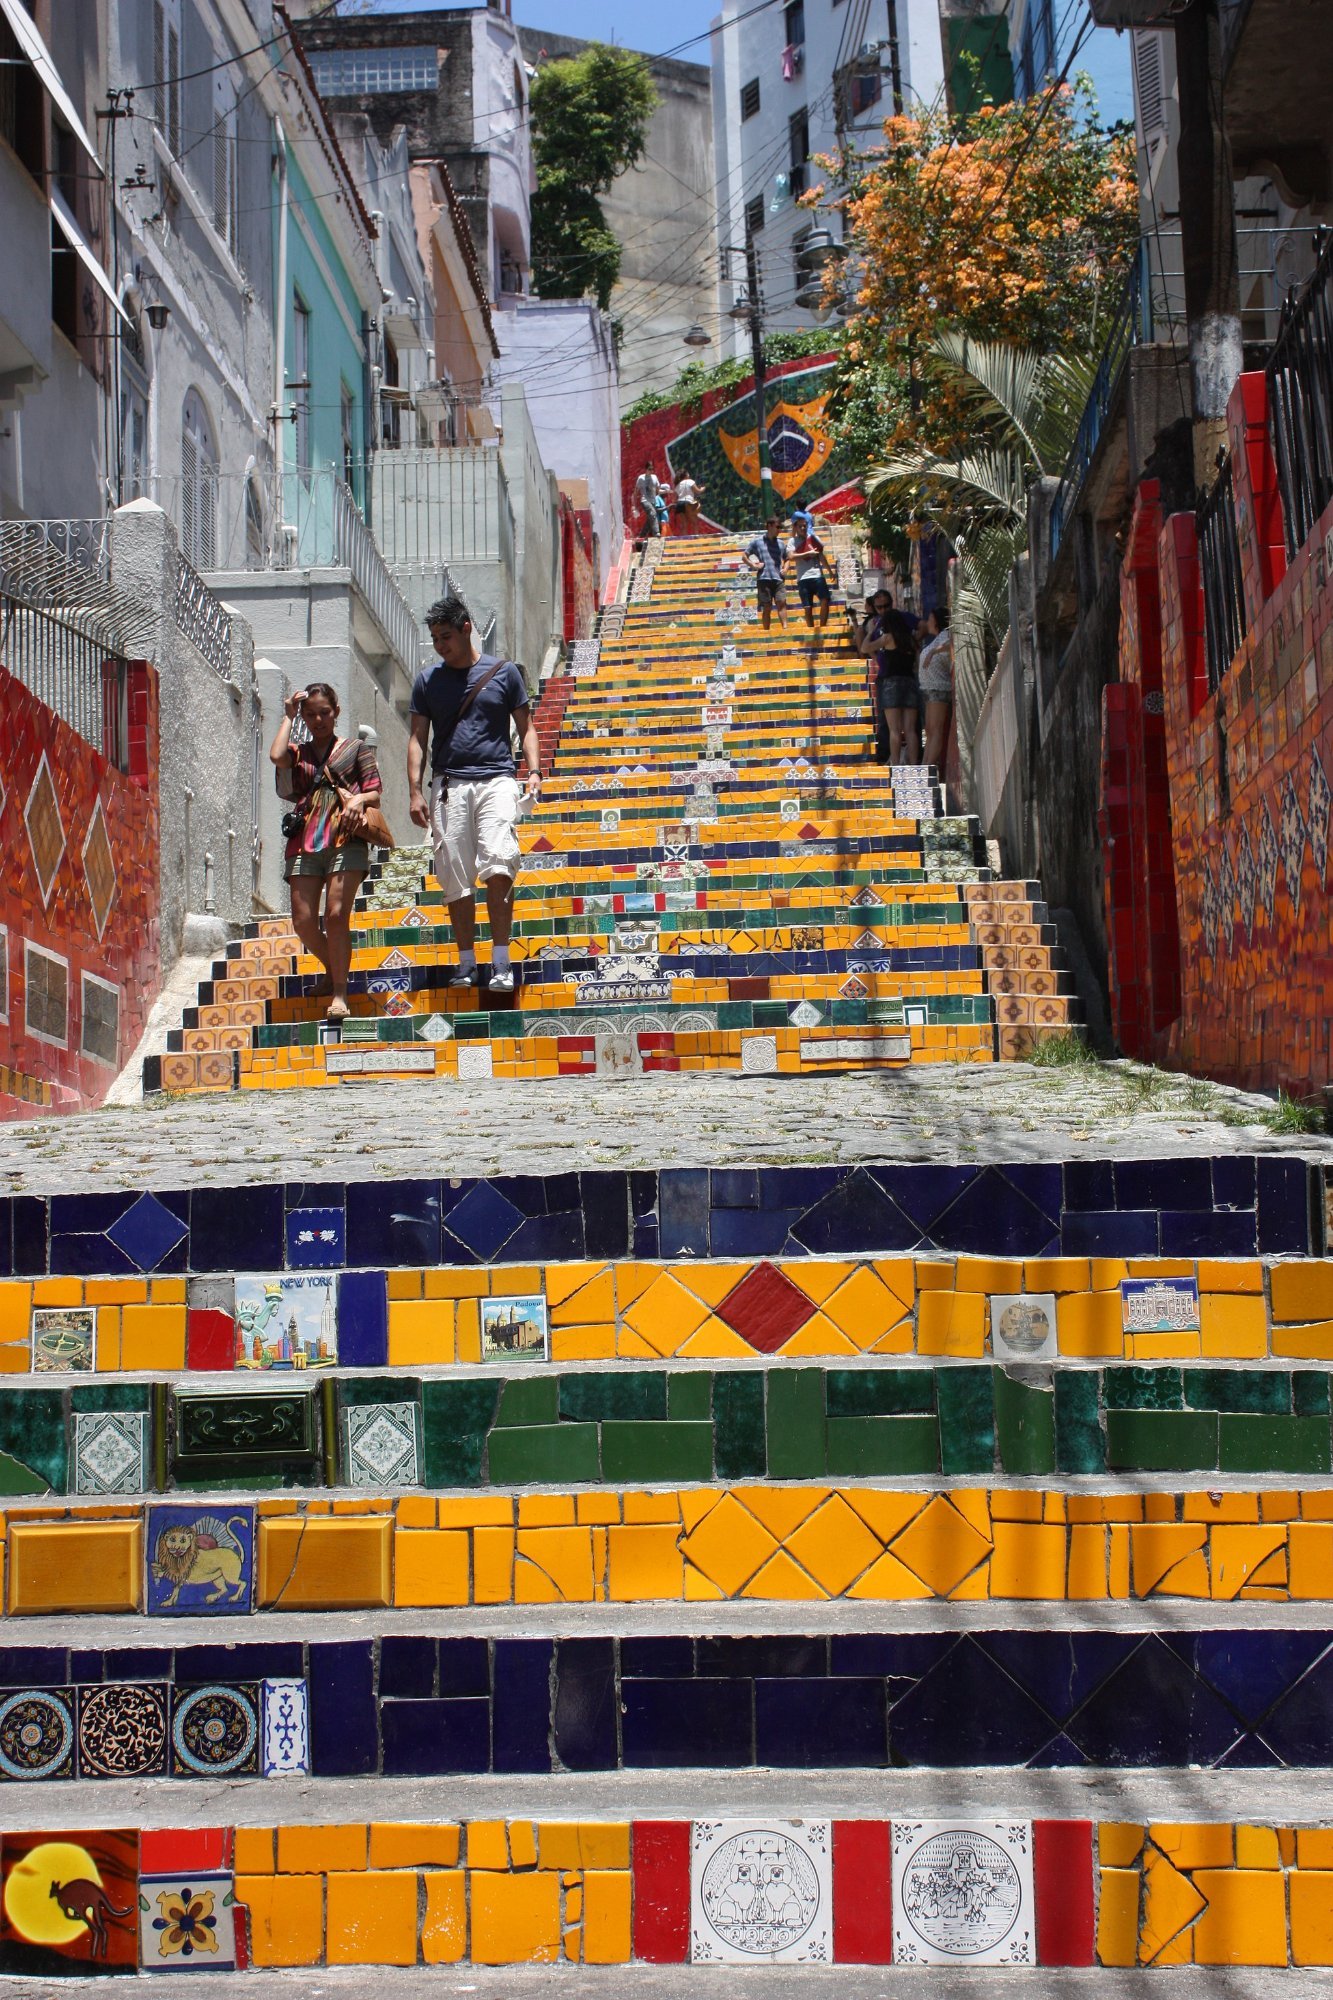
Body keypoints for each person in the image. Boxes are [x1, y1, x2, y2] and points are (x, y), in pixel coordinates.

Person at [407, 596, 542, 996]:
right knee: (455, 876)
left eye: (445, 636)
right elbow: (417, 738)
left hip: (497, 780)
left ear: (467, 628)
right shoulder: (427, 681)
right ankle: (467, 962)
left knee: (499, 861)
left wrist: (533, 770)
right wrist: (414, 790)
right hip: (448, 785)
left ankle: (501, 962)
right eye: (434, 638)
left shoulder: (503, 673)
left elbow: (527, 727)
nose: (440, 645)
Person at [270, 683, 382, 1024]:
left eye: (324, 713)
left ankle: (339, 992)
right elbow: (276, 756)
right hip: (304, 840)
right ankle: (334, 966)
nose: (318, 719)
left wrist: (358, 801)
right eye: (311, 714)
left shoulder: (356, 749)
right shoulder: (299, 752)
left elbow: (375, 792)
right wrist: (288, 716)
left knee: (335, 914)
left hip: (346, 839)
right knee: (303, 921)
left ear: (336, 712)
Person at [859, 587, 921, 765]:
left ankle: (895, 763)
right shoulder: (910, 640)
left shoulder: (887, 638)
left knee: (894, 730)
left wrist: (871, 631)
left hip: (891, 683)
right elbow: (916, 662)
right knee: (910, 730)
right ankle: (915, 764)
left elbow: (864, 648)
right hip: (909, 682)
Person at [917, 606, 954, 772]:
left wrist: (934, 651)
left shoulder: (944, 636)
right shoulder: (936, 638)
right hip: (930, 689)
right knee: (930, 729)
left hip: (939, 687)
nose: (928, 622)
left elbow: (951, 645)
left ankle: (928, 767)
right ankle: (925, 764)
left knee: (936, 728)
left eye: (931, 619)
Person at [743, 513, 789, 629]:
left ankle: (785, 628)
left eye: (780, 528)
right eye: (777, 527)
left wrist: (786, 568)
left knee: (781, 603)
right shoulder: (757, 542)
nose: (779, 530)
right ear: (769, 526)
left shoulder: (781, 543)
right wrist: (753, 565)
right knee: (767, 606)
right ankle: (766, 631)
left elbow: (787, 558)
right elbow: (744, 556)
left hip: (778, 578)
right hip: (764, 578)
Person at [789, 513, 833, 630]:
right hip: (803, 578)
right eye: (800, 526)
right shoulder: (792, 541)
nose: (803, 528)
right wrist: (808, 553)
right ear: (796, 528)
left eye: (804, 526)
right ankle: (811, 629)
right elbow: (791, 556)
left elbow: (821, 556)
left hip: (817, 575)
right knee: (807, 607)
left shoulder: (814, 538)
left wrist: (829, 571)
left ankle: (822, 627)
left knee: (825, 600)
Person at [633, 464, 661, 538]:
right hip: (644, 500)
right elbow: (636, 492)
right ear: (645, 469)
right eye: (649, 469)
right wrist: (634, 506)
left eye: (652, 469)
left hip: (653, 501)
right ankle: (656, 533)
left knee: (650, 520)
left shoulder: (655, 477)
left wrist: (666, 491)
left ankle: (642, 536)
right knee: (653, 513)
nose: (651, 471)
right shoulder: (641, 478)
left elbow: (658, 490)